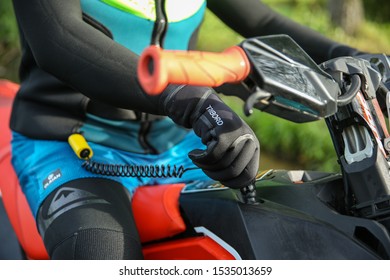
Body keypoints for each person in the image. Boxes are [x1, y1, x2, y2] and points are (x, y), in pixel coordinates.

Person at [10, 0, 362, 260]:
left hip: (179, 144)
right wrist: (190, 100)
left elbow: (264, 19)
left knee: (279, 229)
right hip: (70, 146)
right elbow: (60, 40)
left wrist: (350, 54)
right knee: (102, 252)